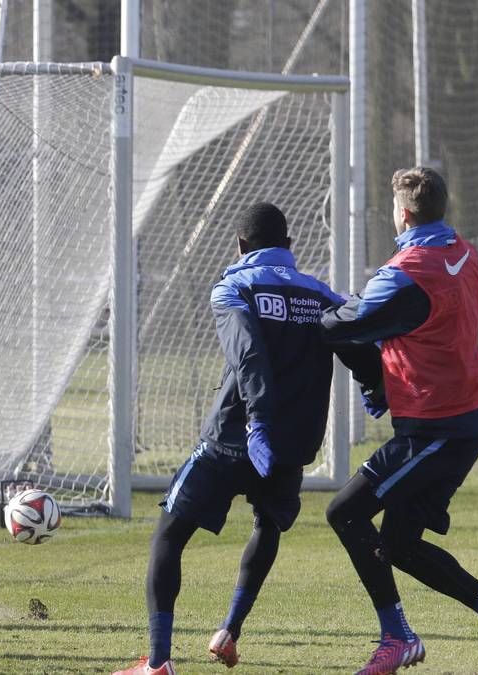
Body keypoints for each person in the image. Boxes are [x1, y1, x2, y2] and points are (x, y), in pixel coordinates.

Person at [113, 202, 383, 675]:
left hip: (233, 437)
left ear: (240, 244)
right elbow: (354, 337)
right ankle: (229, 631)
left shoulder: (233, 288)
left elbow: (249, 354)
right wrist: (374, 383)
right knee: (267, 525)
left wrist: (258, 420)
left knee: (169, 535)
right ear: (289, 245)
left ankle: (158, 663)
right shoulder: (319, 294)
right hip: (292, 445)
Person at [321, 167, 478, 675]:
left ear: (403, 213)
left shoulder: (406, 272)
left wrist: (363, 366)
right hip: (467, 409)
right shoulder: (464, 251)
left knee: (345, 513)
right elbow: (417, 325)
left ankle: (397, 637)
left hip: (440, 427)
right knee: (398, 543)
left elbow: (340, 325)